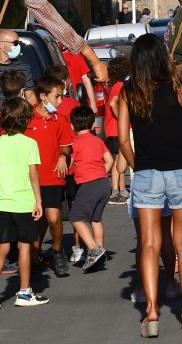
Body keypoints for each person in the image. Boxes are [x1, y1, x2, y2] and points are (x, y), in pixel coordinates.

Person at [117, 34, 182, 335]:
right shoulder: (180, 87)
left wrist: (137, 165)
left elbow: (122, 140)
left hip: (147, 172)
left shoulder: (128, 92)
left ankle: (151, 313)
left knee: (148, 243)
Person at [0, 96, 48, 310]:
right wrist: (38, 201)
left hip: (3, 203)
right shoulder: (30, 143)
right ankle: (23, 292)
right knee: (24, 247)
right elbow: (33, 175)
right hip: (24, 202)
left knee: (2, 248)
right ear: (25, 119)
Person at [25, 74, 74, 278]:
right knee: (36, 220)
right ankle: (34, 256)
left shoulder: (59, 119)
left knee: (53, 217)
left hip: (53, 176)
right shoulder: (27, 119)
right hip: (31, 178)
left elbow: (66, 145)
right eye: (57, 97)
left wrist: (63, 156)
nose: (60, 101)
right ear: (43, 96)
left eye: (62, 96)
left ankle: (57, 250)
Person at [68, 106, 113, 272]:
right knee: (96, 219)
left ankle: (94, 249)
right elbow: (109, 160)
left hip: (88, 184)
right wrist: (101, 172)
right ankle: (100, 251)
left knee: (76, 217)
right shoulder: (98, 141)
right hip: (103, 182)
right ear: (93, 125)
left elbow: (70, 164)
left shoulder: (74, 143)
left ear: (72, 126)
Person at [104, 55, 130, 204]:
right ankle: (115, 190)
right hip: (116, 129)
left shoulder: (113, 85)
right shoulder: (119, 85)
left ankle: (121, 188)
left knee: (120, 158)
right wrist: (122, 118)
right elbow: (114, 103)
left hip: (112, 128)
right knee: (117, 160)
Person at [59, 43, 97, 112]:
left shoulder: (76, 55)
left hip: (77, 100)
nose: (58, 41)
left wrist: (93, 104)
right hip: (60, 102)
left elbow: (86, 80)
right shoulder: (54, 55)